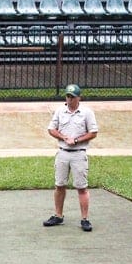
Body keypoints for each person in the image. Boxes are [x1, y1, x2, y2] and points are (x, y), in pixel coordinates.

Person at [44, 84, 98, 232]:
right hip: (62, 152)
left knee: (81, 187)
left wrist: (76, 140)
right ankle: (58, 215)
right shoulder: (60, 111)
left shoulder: (86, 112)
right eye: (68, 96)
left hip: (79, 153)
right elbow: (51, 129)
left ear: (79, 98)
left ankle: (85, 219)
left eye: (72, 97)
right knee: (59, 185)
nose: (70, 99)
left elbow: (93, 132)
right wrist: (63, 136)